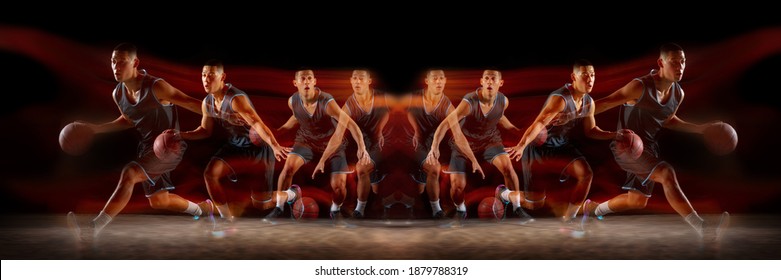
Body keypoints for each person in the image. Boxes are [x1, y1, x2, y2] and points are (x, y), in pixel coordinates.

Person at [586, 43, 730, 239]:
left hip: (648, 148)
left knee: (636, 201)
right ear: (661, 63)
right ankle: (703, 228)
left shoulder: (678, 93)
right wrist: (574, 114)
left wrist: (701, 128)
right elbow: (605, 103)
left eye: (683, 62)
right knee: (666, 173)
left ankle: (593, 209)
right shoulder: (640, 86)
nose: (680, 67)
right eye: (674, 62)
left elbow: (668, 120)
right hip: (626, 146)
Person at [66, 43, 206, 241]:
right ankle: (201, 210)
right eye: (114, 61)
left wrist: (224, 113)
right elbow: (129, 120)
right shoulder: (119, 93)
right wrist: (95, 129)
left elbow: (191, 102)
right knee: (159, 201)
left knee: (129, 173)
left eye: (122, 62)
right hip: (148, 148)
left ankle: (93, 228)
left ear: (135, 63)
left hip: (170, 147)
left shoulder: (157, 86)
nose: (116, 66)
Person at [179, 60, 290, 224]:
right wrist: (181, 135)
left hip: (258, 148)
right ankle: (226, 218)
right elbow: (205, 131)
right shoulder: (207, 103)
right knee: (210, 174)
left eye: (211, 75)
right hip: (236, 145)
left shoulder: (236, 99)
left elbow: (257, 123)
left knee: (261, 203)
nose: (206, 79)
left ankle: (293, 194)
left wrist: (274, 145)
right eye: (203, 75)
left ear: (222, 77)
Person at [504, 60, 615, 224]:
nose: (590, 79)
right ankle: (504, 194)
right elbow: (539, 123)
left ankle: (569, 218)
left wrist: (615, 135)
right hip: (538, 148)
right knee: (535, 203)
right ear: (573, 77)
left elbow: (591, 131)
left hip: (561, 145)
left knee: (586, 174)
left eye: (592, 75)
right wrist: (521, 146)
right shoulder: (560, 99)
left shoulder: (588, 103)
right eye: (585, 75)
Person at [428, 69, 535, 226]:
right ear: (481, 81)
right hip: (465, 144)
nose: (490, 81)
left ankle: (516, 207)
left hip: (490, 141)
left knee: (508, 167)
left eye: (493, 78)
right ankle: (461, 209)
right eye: (487, 78)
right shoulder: (470, 102)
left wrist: (520, 132)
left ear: (500, 83)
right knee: (457, 186)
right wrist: (434, 146)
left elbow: (498, 116)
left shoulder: (503, 101)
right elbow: (446, 123)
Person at [265, 69, 369, 225]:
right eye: (303, 79)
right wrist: (278, 132)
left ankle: (335, 210)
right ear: (296, 83)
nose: (306, 81)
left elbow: (351, 124)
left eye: (309, 78)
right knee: (288, 168)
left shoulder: (326, 102)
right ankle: (279, 208)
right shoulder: (292, 101)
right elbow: (296, 116)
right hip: (306, 141)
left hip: (332, 145)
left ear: (314, 81)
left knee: (339, 186)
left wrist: (362, 147)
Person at [405, 69, 465, 219]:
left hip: (433, 145)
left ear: (445, 81)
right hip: (411, 142)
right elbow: (406, 113)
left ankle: (436, 210)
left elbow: (457, 132)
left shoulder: (447, 105)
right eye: (435, 78)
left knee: (434, 168)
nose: (438, 82)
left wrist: (467, 151)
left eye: (441, 79)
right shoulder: (414, 97)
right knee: (417, 187)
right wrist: (415, 130)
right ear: (427, 81)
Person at [341, 69, 389, 218]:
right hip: (364, 144)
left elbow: (388, 113)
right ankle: (360, 210)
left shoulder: (381, 97)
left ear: (369, 81)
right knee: (363, 171)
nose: (357, 81)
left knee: (365, 171)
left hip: (385, 142)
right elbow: (340, 128)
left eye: (361, 78)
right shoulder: (349, 104)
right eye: (354, 78)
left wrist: (381, 130)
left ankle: (363, 208)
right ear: (350, 81)